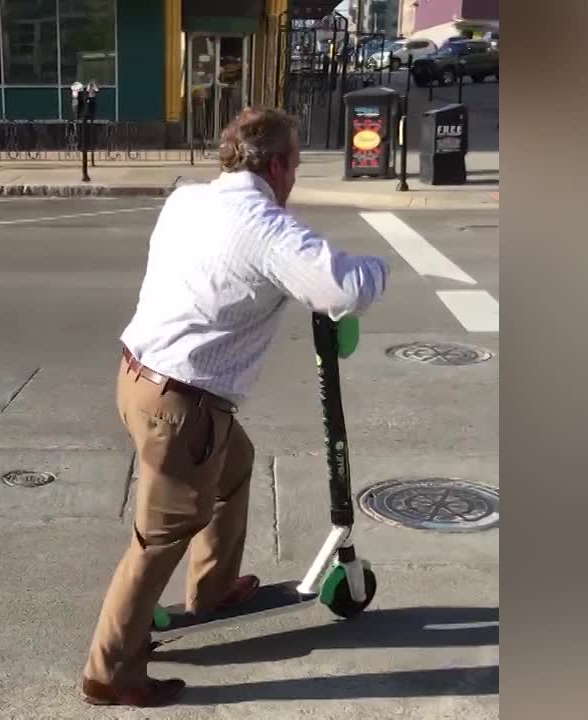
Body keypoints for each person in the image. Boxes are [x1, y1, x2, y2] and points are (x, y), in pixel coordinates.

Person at [79, 107, 391, 707]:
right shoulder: (266, 228)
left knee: (235, 463)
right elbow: (343, 288)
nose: (294, 177)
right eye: (294, 165)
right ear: (276, 167)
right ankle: (109, 671)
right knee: (158, 539)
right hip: (182, 407)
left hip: (139, 378)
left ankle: (214, 589)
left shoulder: (188, 199)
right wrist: (380, 267)